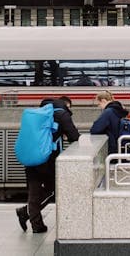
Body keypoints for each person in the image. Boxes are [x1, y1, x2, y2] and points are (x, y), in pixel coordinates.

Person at [16, 96, 79, 234]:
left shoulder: (38, 114)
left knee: (34, 191)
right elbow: (75, 136)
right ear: (66, 105)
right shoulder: (62, 114)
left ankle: (36, 224)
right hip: (49, 160)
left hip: (31, 156)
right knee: (52, 190)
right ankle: (26, 213)